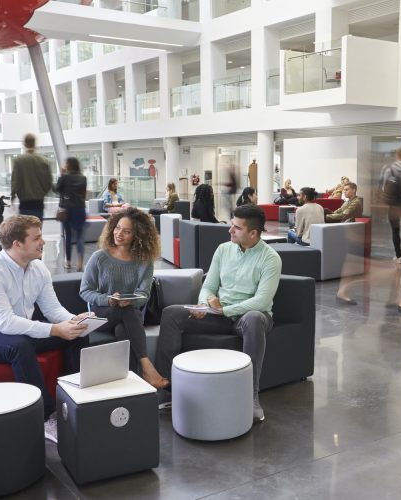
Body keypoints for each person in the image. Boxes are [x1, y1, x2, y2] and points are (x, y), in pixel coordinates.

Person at [0, 215, 90, 438]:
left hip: (18, 333)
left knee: (76, 334)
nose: (43, 242)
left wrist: (74, 321)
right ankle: (47, 417)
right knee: (19, 345)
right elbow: (5, 323)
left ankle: (74, 402)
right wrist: (56, 330)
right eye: (37, 238)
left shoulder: (38, 268)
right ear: (17, 244)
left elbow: (52, 310)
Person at [155, 204, 282, 421]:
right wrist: (204, 305)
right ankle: (169, 390)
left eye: (236, 228)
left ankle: (250, 396)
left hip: (250, 316)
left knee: (253, 319)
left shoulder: (270, 259)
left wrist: (225, 310)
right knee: (171, 314)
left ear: (253, 233)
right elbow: (208, 286)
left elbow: (262, 301)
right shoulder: (223, 250)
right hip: (219, 314)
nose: (230, 230)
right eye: (231, 225)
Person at [79, 208, 169, 389]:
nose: (119, 234)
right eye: (117, 228)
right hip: (103, 314)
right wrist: (108, 299)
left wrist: (131, 300)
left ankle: (128, 387)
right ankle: (147, 366)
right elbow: (85, 291)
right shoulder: (99, 257)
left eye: (126, 231)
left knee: (124, 329)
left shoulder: (144, 261)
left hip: (130, 313)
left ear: (138, 235)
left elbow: (144, 295)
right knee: (125, 312)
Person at [55, 157, 87, 271]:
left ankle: (68, 262)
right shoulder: (83, 178)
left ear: (68, 165)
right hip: (80, 209)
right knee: (79, 236)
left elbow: (56, 189)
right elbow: (83, 194)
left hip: (67, 210)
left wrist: (62, 174)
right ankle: (80, 262)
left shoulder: (65, 177)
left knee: (67, 236)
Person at [11, 133, 52, 221]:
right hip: (39, 202)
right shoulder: (44, 161)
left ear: (24, 144)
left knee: (25, 230)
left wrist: (13, 195)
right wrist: (42, 193)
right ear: (35, 143)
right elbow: (49, 183)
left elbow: (15, 181)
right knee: (37, 230)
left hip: (24, 203)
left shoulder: (19, 161)